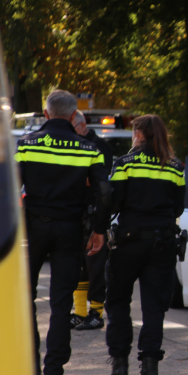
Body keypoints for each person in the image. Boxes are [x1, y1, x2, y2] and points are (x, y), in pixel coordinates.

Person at [16, 90, 111, 375]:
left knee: (24, 297)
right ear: (73, 116)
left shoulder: (26, 144)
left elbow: (8, 188)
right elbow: (104, 192)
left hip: (33, 228)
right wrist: (99, 230)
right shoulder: (87, 148)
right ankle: (54, 373)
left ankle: (30, 362)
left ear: (46, 114)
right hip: (70, 230)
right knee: (61, 302)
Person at [105, 115, 185, 375]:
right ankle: (150, 370)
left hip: (128, 242)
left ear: (140, 135)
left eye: (133, 132)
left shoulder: (124, 163)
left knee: (117, 302)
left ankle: (119, 365)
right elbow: (178, 209)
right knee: (154, 308)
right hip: (162, 244)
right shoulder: (175, 166)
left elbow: (113, 201)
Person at [71, 111, 114, 330]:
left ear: (81, 125)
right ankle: (79, 312)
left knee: (95, 265)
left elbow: (97, 182)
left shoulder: (100, 146)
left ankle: (96, 312)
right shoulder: (73, 144)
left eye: (71, 126)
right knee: (79, 265)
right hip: (76, 212)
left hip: (95, 213)